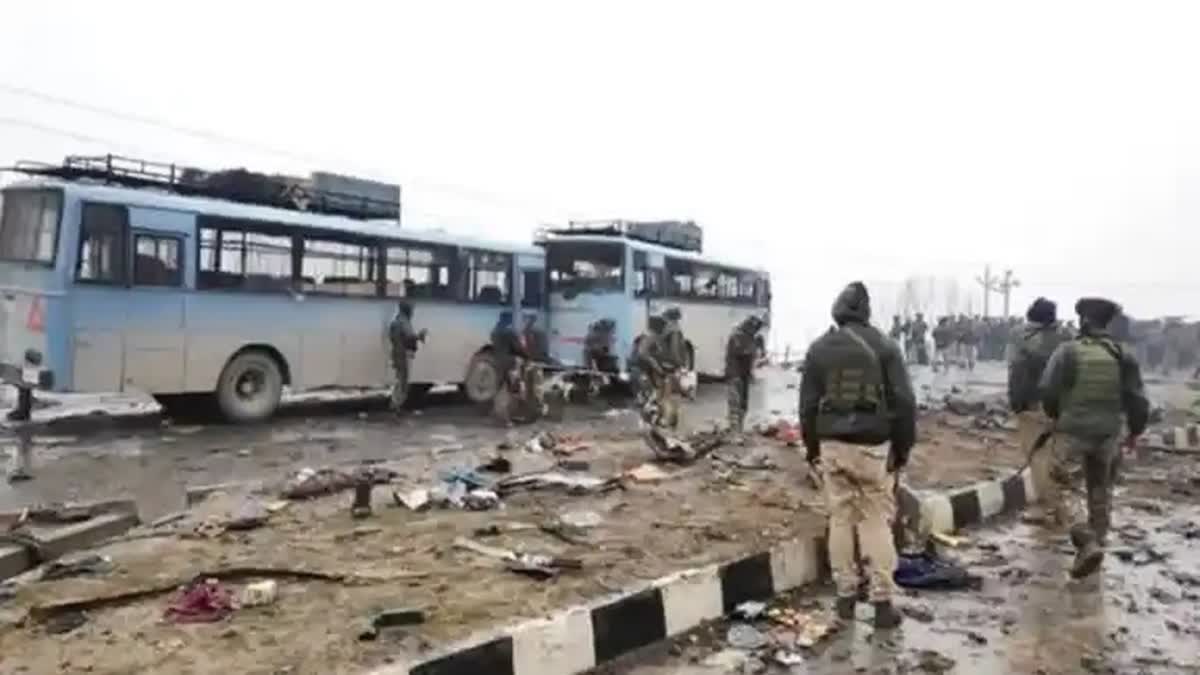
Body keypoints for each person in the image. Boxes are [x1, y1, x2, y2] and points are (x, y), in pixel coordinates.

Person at [800, 282, 915, 628]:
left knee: (840, 518)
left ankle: (845, 598)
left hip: (832, 445)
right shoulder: (886, 346)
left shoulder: (819, 349)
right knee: (875, 520)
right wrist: (903, 449)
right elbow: (905, 403)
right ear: (866, 312)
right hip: (873, 447)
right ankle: (881, 603)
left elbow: (807, 407)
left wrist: (812, 450)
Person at [1039, 297, 1149, 579]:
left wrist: (1054, 416)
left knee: (1064, 486)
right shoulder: (1123, 354)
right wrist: (1135, 431)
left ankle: (1086, 541)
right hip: (1109, 434)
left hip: (1073, 432)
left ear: (1085, 321)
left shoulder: (1067, 352)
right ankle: (1095, 548)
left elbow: (1048, 390)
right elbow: (1137, 398)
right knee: (1101, 493)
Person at [1007, 297, 1064, 510]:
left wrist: (1017, 404)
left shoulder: (1021, 338)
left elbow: (1017, 375)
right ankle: (1060, 500)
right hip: (1064, 406)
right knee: (1058, 454)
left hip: (1032, 404)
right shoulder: (1066, 339)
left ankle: (1049, 506)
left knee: (1038, 455)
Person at [490, 311, 533, 426]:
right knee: (511, 391)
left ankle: (497, 415)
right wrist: (528, 357)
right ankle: (507, 419)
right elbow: (518, 348)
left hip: (497, 363)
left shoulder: (495, 331)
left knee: (499, 389)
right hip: (510, 363)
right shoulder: (509, 333)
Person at [725, 315, 764, 439]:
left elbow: (750, 357)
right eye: (755, 328)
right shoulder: (738, 336)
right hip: (735, 374)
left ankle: (739, 430)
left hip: (744, 375)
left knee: (743, 404)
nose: (756, 331)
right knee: (735, 404)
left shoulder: (749, 337)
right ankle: (734, 432)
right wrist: (755, 350)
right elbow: (742, 353)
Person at [387, 301, 426, 412]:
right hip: (403, 354)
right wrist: (420, 336)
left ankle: (396, 403)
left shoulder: (396, 322)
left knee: (400, 379)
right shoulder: (403, 322)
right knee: (403, 381)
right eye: (411, 309)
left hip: (397, 353)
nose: (413, 312)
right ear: (407, 309)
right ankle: (396, 405)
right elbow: (409, 336)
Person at [634, 315, 669, 425]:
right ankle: (651, 422)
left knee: (648, 396)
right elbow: (643, 353)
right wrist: (658, 368)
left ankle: (648, 421)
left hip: (642, 371)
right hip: (644, 371)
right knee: (652, 395)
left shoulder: (647, 336)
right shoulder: (651, 337)